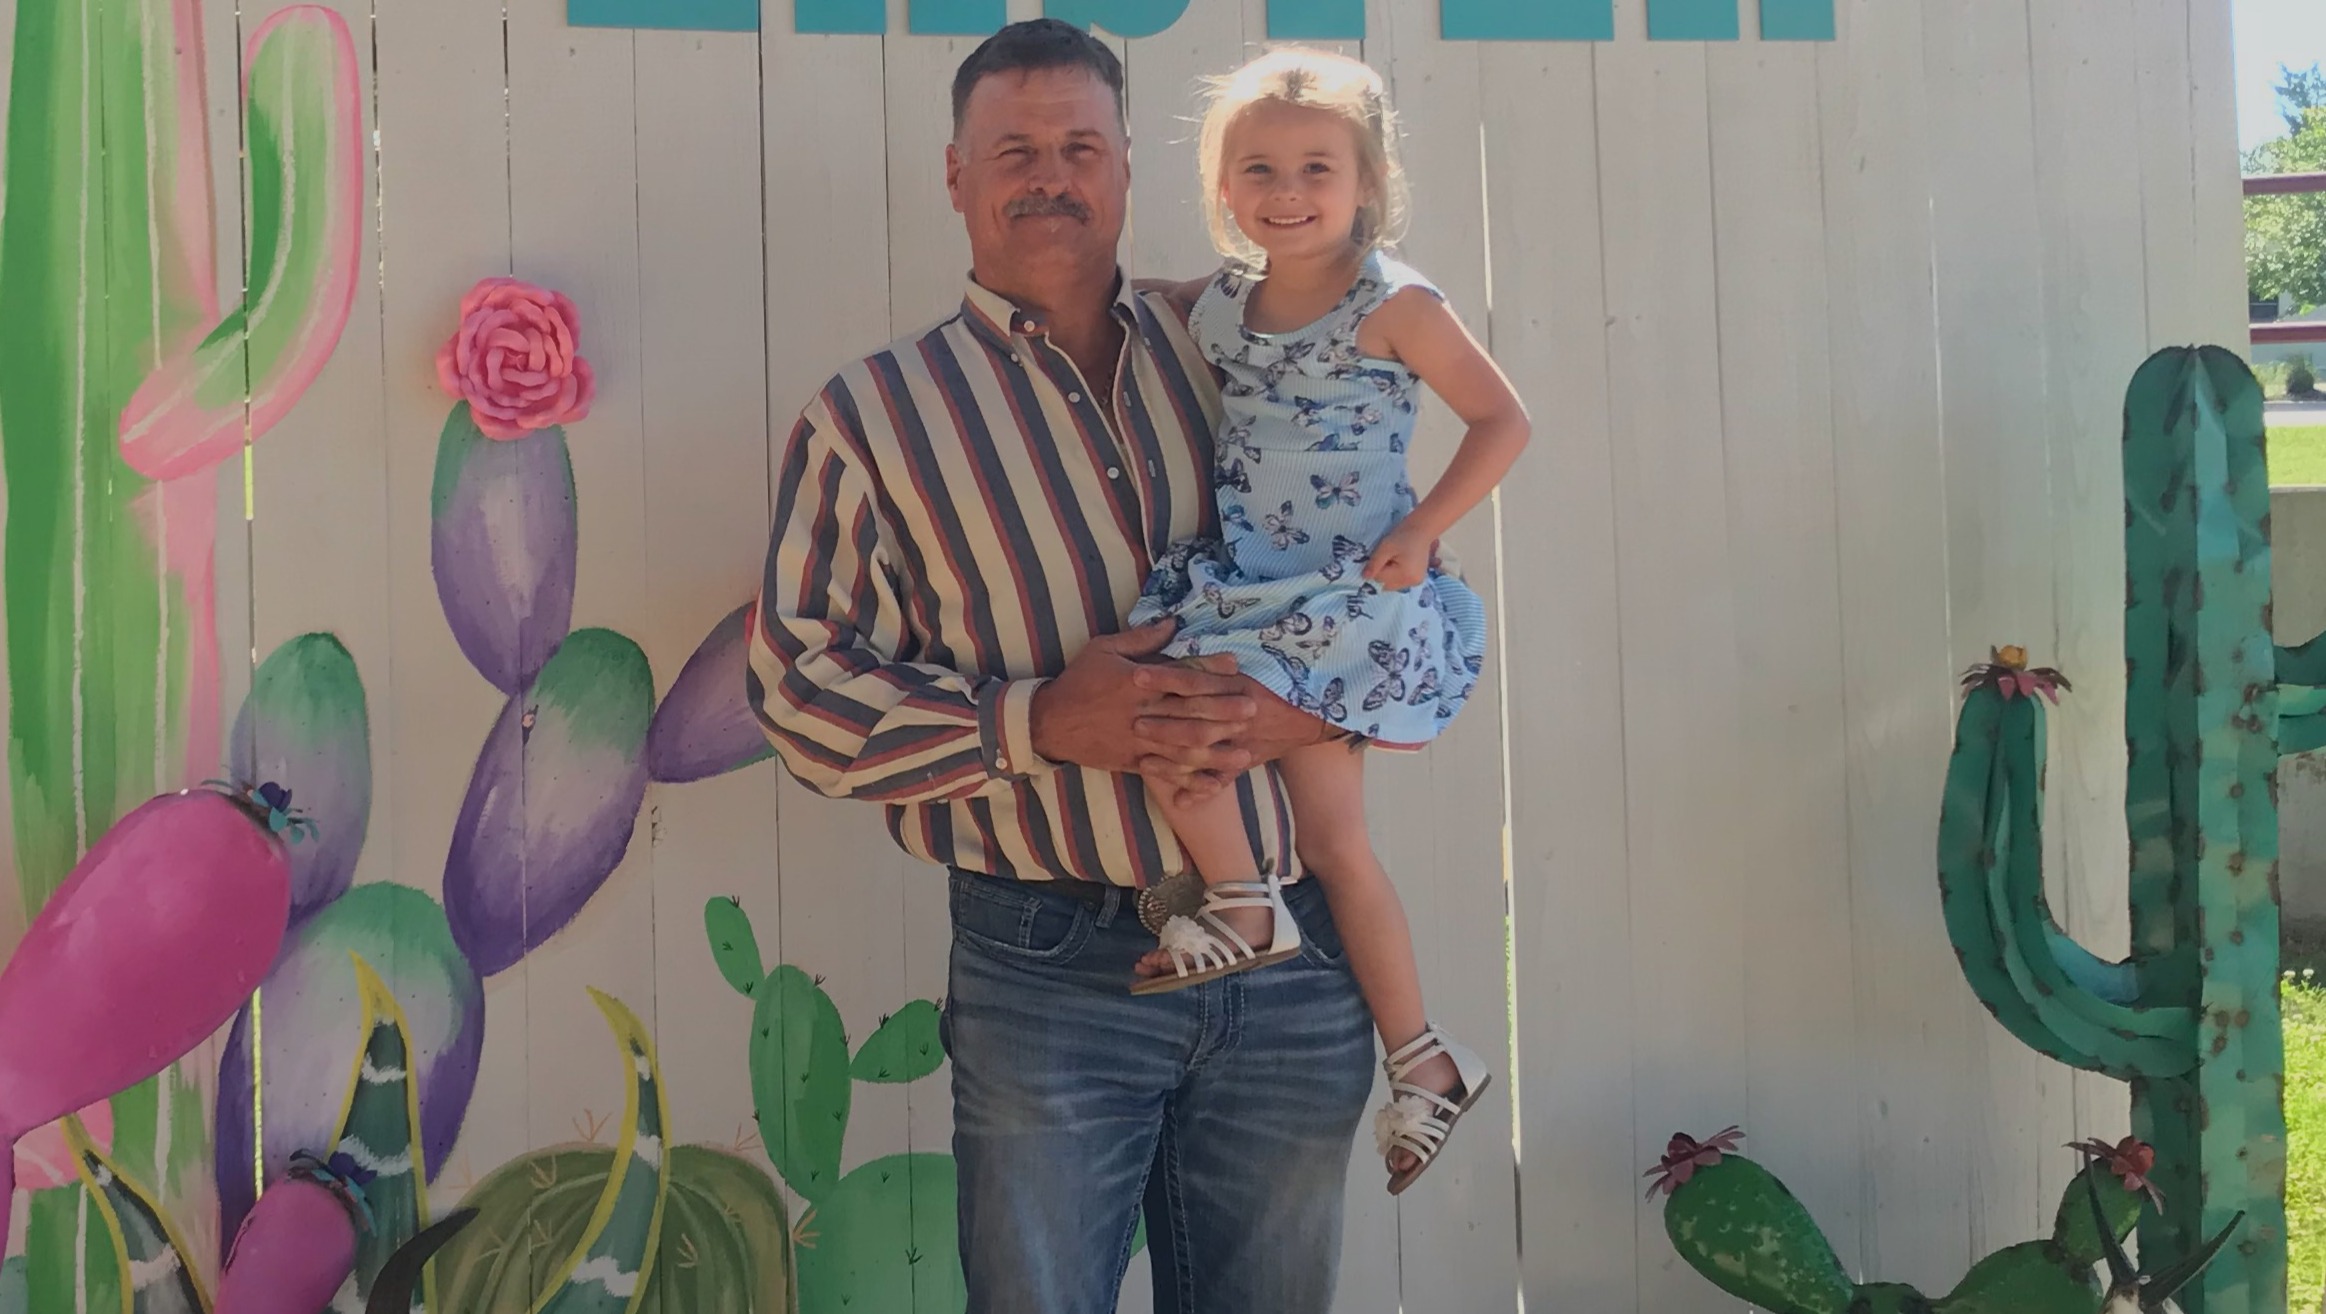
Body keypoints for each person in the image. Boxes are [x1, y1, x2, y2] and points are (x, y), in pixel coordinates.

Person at [744, 19, 1374, 1314]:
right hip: (1052, 966)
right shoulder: (874, 420)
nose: (1050, 177)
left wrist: (1307, 705)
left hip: (1291, 952)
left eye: (1080, 147)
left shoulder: (1242, 355)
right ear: (955, 175)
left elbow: (1378, 572)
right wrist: (1032, 723)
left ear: (1127, 166)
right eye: (1013, 150)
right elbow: (798, 693)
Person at [1123, 46, 1529, 1196]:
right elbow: (1167, 302)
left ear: (1367, 182)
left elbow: (1502, 420)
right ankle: (1425, 1059)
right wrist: (1126, 294)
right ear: (1222, 185)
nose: (1287, 191)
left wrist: (1424, 527)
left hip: (1344, 596)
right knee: (1336, 845)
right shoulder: (1225, 303)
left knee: (1181, 722)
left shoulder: (1394, 303)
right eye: (1258, 169)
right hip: (1256, 587)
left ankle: (1244, 905)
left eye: (1317, 168)